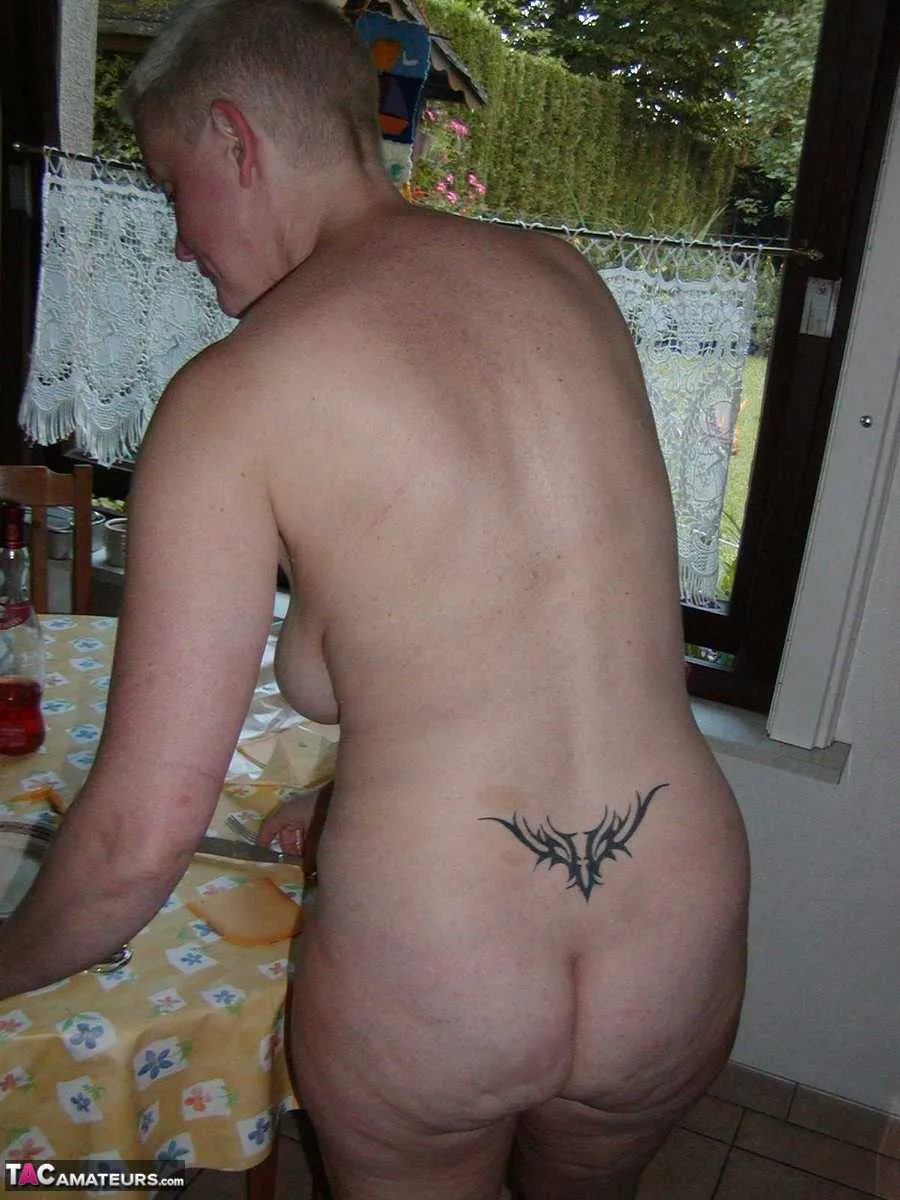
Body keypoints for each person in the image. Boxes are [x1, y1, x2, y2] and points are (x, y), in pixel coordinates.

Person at [0, 0, 750, 1195]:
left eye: (173, 186)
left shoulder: (236, 392)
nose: (180, 242)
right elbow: (528, 628)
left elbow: (137, 838)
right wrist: (353, 792)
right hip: (675, 921)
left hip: (440, 960)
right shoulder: (565, 283)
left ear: (237, 140)